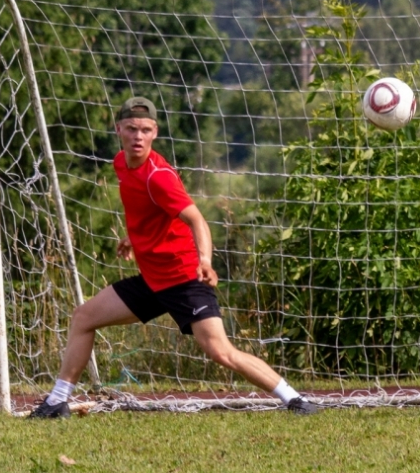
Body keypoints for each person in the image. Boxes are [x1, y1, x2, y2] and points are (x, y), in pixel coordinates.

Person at [30, 96, 320, 419]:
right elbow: (149, 213)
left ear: (154, 133)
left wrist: (205, 261)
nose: (137, 136)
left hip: (183, 279)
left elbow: (197, 220)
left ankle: (295, 400)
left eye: (145, 130)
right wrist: (134, 238)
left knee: (221, 352)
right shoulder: (120, 164)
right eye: (131, 129)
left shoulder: (159, 177)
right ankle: (57, 403)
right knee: (84, 318)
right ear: (119, 130)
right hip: (153, 280)